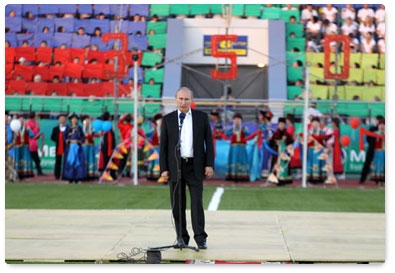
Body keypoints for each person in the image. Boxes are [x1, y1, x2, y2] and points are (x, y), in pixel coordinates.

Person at [159, 87, 214, 250]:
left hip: (195, 166)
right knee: (178, 204)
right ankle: (181, 237)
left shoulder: (201, 118)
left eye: (186, 99)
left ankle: (200, 238)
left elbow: (208, 143)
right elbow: (164, 146)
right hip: (176, 166)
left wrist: (209, 164)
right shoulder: (168, 119)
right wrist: (164, 168)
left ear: (192, 100)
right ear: (175, 99)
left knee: (197, 203)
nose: (183, 102)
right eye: (180, 99)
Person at [267, 117, 294, 186]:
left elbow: (291, 142)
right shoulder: (275, 134)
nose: (281, 125)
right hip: (277, 154)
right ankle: (275, 179)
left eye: (283, 124)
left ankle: (284, 179)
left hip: (284, 154)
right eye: (280, 124)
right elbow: (271, 142)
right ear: (278, 125)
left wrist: (287, 145)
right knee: (275, 165)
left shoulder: (287, 134)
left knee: (284, 166)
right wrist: (275, 144)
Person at [225, 112, 250, 182]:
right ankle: (233, 175)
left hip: (241, 148)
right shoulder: (231, 129)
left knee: (241, 161)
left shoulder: (244, 128)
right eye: (235, 120)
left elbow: (249, 135)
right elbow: (226, 135)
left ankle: (242, 176)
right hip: (233, 149)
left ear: (241, 121)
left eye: (238, 120)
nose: (237, 121)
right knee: (234, 160)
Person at [359, 115, 384, 184]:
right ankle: (363, 179)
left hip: (378, 149)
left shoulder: (378, 129)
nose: (375, 121)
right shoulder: (373, 128)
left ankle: (365, 179)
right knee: (369, 164)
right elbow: (368, 137)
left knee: (377, 164)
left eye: (376, 120)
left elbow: (368, 138)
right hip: (373, 149)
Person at [62, 113, 86, 184]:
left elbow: (83, 137)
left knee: (78, 162)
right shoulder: (68, 127)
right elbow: (64, 136)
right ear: (70, 120)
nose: (74, 120)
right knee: (70, 161)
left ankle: (77, 177)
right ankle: (69, 177)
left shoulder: (79, 128)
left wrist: (79, 141)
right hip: (70, 147)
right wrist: (68, 141)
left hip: (78, 147)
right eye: (73, 119)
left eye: (75, 119)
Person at [14, 114, 35, 180]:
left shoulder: (27, 127)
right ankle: (17, 174)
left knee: (26, 159)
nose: (21, 121)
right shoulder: (15, 128)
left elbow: (32, 135)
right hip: (17, 147)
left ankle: (25, 174)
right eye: (20, 119)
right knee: (17, 159)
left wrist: (30, 130)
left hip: (25, 147)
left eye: (22, 119)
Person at [51, 114, 68, 180]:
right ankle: (57, 175)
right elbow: (52, 137)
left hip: (66, 146)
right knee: (58, 161)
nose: (62, 120)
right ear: (58, 120)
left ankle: (66, 174)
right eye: (61, 119)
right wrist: (58, 140)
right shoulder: (55, 129)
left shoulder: (68, 128)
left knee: (66, 161)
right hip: (58, 147)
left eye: (63, 119)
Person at [81, 115, 99, 180]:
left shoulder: (91, 128)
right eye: (86, 120)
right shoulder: (81, 128)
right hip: (84, 146)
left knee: (91, 158)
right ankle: (83, 173)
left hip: (91, 145)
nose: (87, 121)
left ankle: (91, 173)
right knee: (84, 158)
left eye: (88, 120)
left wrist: (98, 134)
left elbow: (96, 134)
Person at [146, 113, 162, 181]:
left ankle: (151, 174)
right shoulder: (156, 128)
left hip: (154, 147)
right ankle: (155, 175)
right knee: (155, 161)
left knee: (153, 161)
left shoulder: (156, 128)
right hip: (156, 147)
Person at [370, 119, 385, 186]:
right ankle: (378, 181)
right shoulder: (375, 133)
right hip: (376, 151)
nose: (382, 126)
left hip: (384, 151)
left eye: (383, 124)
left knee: (383, 166)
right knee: (377, 165)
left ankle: (384, 181)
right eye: (380, 124)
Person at [5, 112, 17, 182]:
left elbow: (14, 138)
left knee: (10, 164)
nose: (6, 119)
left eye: (6, 117)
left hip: (9, 148)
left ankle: (11, 178)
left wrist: (10, 145)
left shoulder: (11, 127)